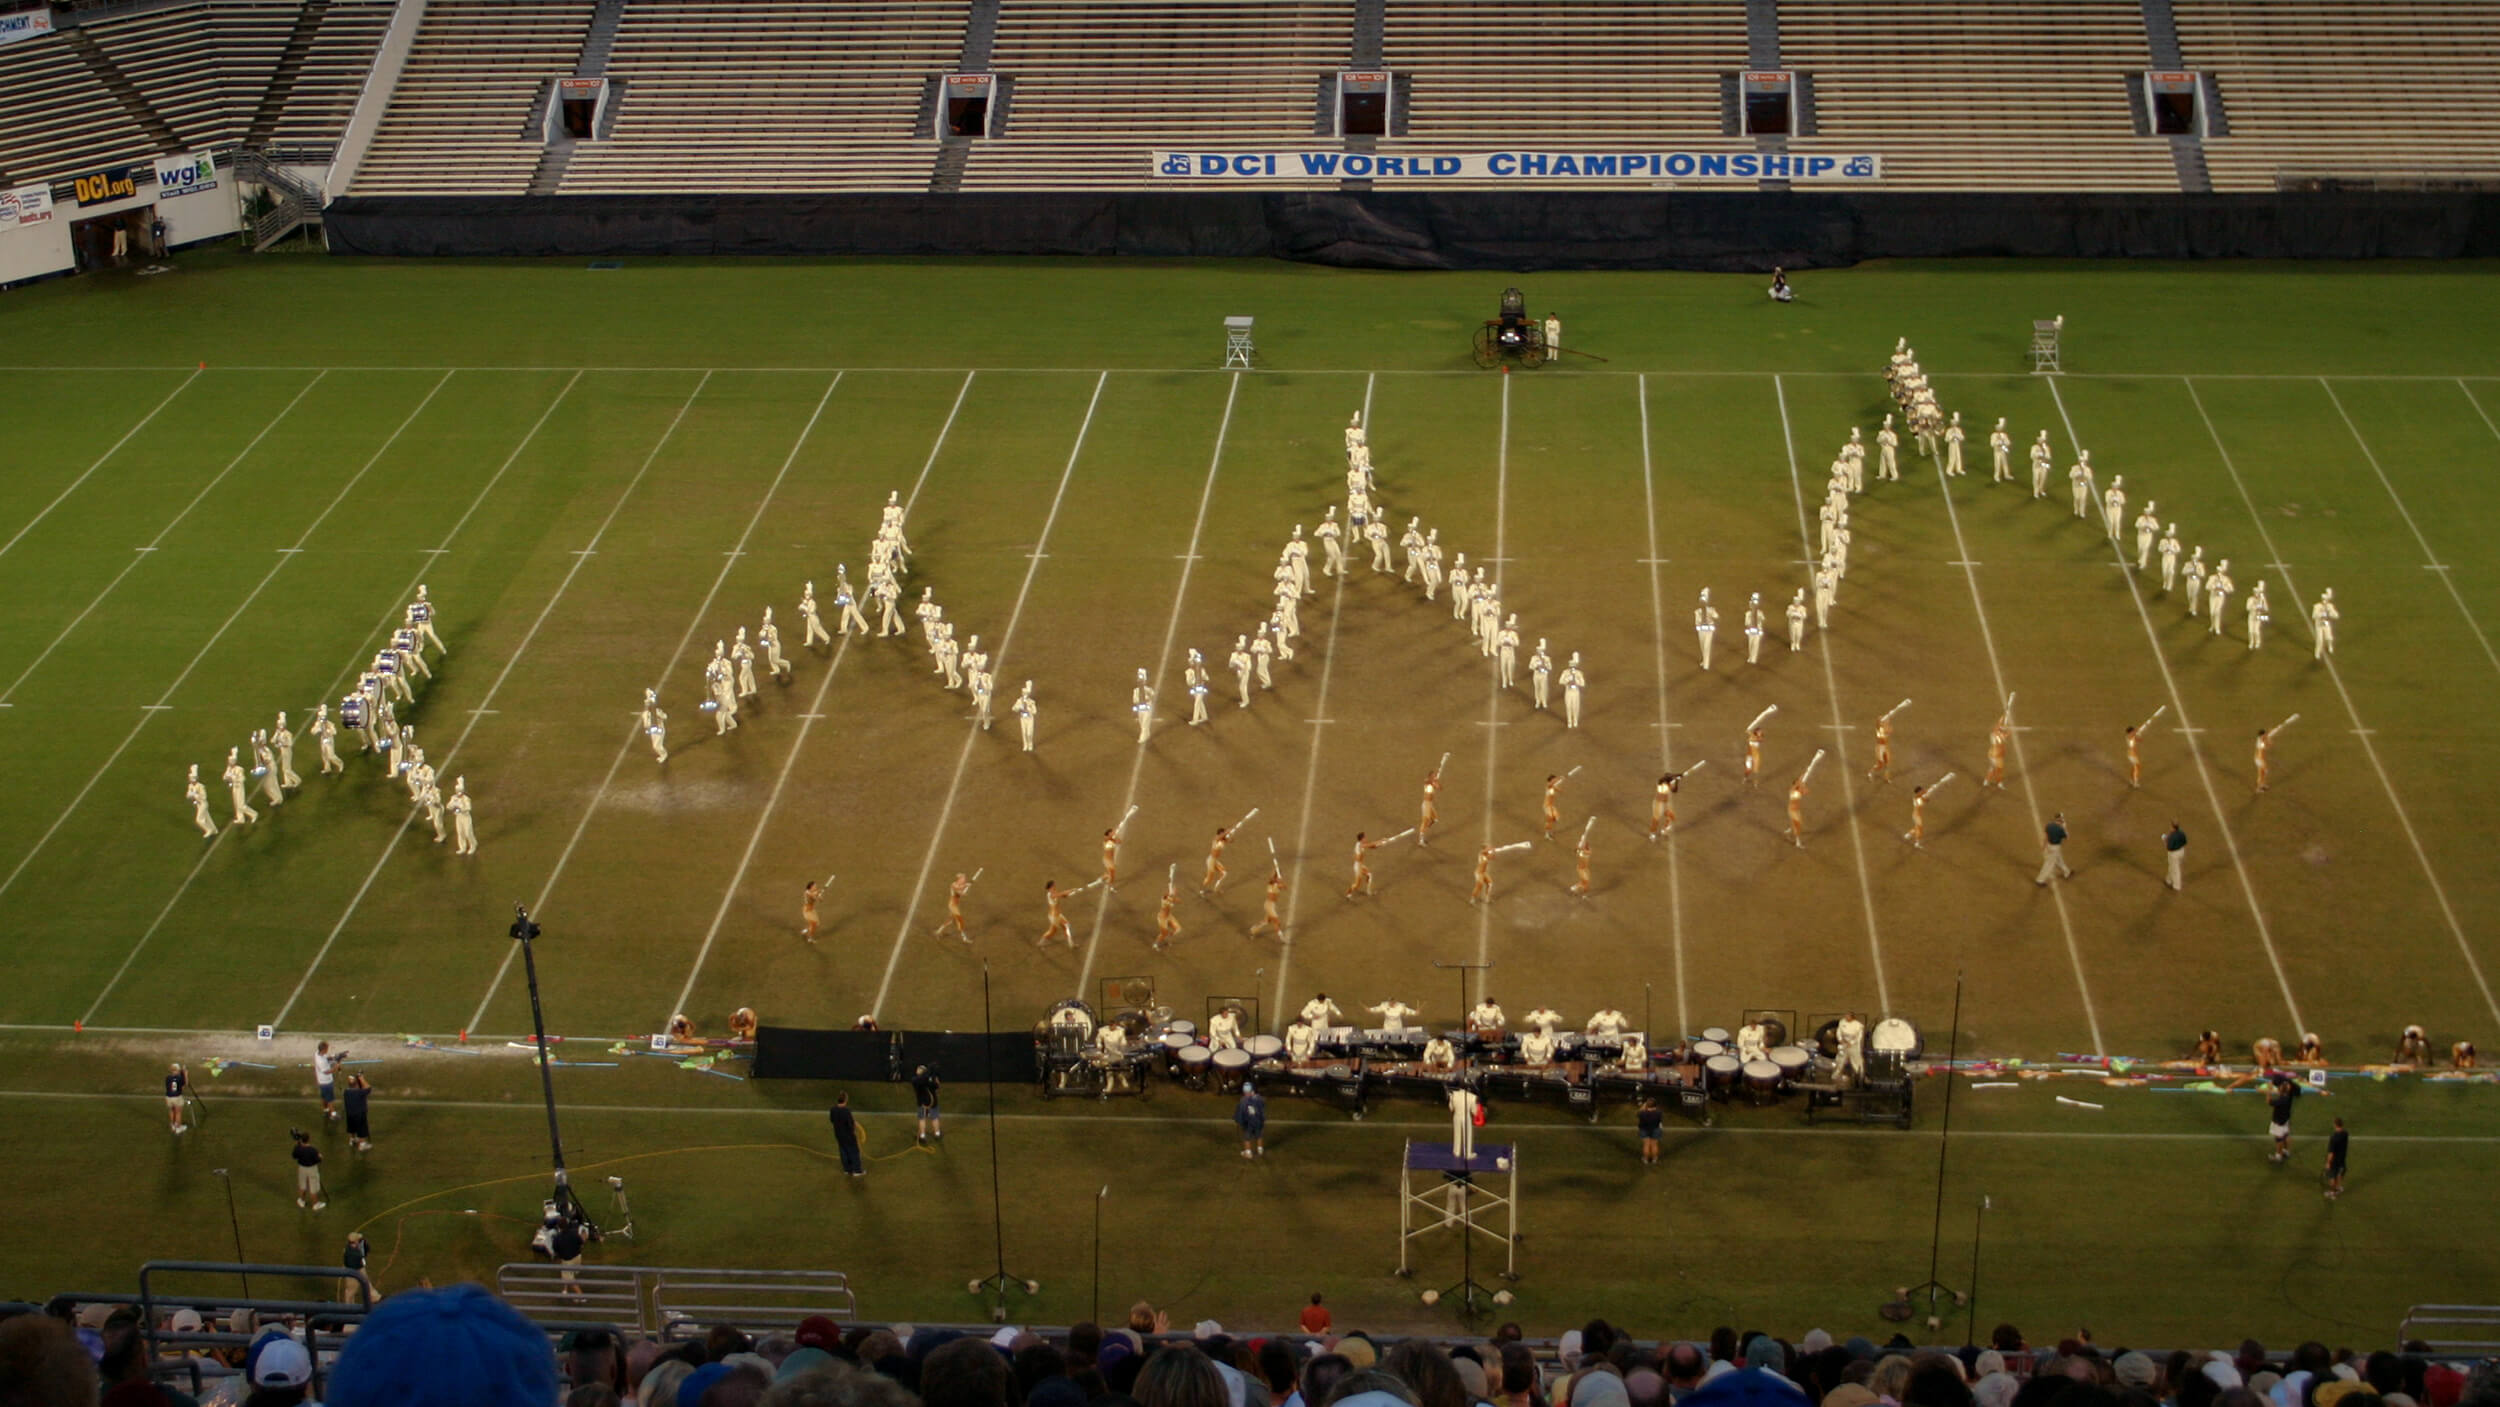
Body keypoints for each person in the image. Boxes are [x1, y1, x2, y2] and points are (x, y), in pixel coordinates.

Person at [2266, 1073, 2300, 1164]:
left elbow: (2269, 1102)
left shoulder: (2281, 1100)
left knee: (2279, 1139)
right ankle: (2286, 1151)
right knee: (2286, 1135)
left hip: (2279, 1121)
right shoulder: (2288, 1096)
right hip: (2286, 1119)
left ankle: (2278, 1155)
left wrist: (2268, 1091)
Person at [828, 1092, 864, 1177]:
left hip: (838, 1135)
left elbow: (832, 1120)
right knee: (854, 1152)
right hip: (848, 1136)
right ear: (845, 1100)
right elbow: (850, 1125)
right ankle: (857, 1170)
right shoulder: (847, 1111)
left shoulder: (833, 1109)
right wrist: (853, 1130)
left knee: (843, 1151)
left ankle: (847, 1169)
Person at [291, 1129, 326, 1210]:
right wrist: (320, 1156)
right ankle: (315, 1204)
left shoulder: (298, 1148)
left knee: (302, 1185)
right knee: (313, 1187)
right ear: (308, 1139)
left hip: (302, 1168)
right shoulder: (312, 1150)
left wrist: (296, 1146)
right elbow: (318, 1160)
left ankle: (301, 1201)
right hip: (312, 1169)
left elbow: (294, 1156)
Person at [2036, 812, 2072, 886]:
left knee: (2059, 859)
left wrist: (2044, 846)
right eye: (2062, 818)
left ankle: (2067, 872)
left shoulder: (2049, 825)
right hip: (2055, 848)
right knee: (2049, 864)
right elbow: (2067, 838)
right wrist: (2064, 828)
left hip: (2049, 846)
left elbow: (2046, 836)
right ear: (2060, 819)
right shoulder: (2060, 829)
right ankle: (2040, 880)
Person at [1235, 1080, 1267, 1159]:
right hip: (1258, 1122)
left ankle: (1248, 1152)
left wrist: (1238, 1120)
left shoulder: (1243, 1101)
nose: (1245, 1093)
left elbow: (1241, 1112)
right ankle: (1260, 1150)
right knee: (1259, 1135)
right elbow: (1262, 1107)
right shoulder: (1259, 1099)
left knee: (1247, 1138)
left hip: (1249, 1123)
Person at [314, 1041, 344, 1121]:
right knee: (330, 1099)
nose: (328, 1049)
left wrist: (336, 1056)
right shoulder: (321, 1062)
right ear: (323, 1049)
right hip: (326, 1082)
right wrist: (337, 1065)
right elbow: (327, 1072)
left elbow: (327, 1058)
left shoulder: (317, 1053)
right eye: (327, 1048)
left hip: (321, 1081)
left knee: (324, 1096)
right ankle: (333, 1114)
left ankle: (326, 1109)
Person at [1037, 881, 1073, 947]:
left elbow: (1061, 895)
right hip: (1054, 917)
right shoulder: (1050, 894)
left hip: (1058, 915)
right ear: (1050, 887)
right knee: (1052, 932)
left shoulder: (1054, 892)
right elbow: (1058, 895)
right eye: (1053, 885)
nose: (1055, 886)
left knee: (1066, 926)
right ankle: (1040, 943)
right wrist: (1068, 891)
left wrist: (1068, 894)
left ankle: (1071, 944)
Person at [341, 1231, 374, 1303]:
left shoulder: (350, 1248)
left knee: (366, 1283)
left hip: (357, 1269)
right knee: (351, 1290)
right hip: (354, 1271)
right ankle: (348, 1307)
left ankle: (375, 1297)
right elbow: (361, 1258)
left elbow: (365, 1252)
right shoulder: (352, 1252)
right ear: (355, 1241)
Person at [344, 1072, 373, 1152]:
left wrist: (355, 1080)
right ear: (357, 1085)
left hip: (350, 1114)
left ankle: (352, 1140)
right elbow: (368, 1088)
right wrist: (361, 1078)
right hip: (359, 1115)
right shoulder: (360, 1093)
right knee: (362, 1129)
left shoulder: (346, 1092)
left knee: (352, 1128)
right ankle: (362, 1145)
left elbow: (353, 1084)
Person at [912, 1064, 942, 1143]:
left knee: (922, 1119)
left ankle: (922, 1136)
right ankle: (937, 1133)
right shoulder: (928, 1079)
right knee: (934, 1117)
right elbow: (937, 1086)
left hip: (922, 1103)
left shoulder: (915, 1080)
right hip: (933, 1101)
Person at [2324, 1116, 2348, 1199]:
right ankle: (2338, 1188)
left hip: (2334, 1161)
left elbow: (2331, 1153)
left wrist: (2328, 1163)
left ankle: (2333, 1193)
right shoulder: (2345, 1133)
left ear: (2335, 1125)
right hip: (2342, 1158)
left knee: (2332, 1177)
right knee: (2339, 1173)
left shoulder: (2333, 1138)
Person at [164, 1062, 188, 1135]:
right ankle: (178, 1127)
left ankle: (173, 1125)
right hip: (177, 1097)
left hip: (168, 1097)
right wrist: (185, 1074)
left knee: (171, 1111)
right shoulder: (179, 1078)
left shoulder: (167, 1078)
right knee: (178, 1113)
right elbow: (185, 1085)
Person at [1637, 1097, 1664, 1165]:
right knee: (1654, 1145)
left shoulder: (1642, 1113)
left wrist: (1644, 1106)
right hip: (1655, 1129)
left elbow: (1639, 1113)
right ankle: (1654, 1159)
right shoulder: (1659, 1113)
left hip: (1644, 1129)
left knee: (1646, 1145)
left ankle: (1645, 1159)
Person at [2164, 820, 2188, 891]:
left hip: (2174, 854)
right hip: (2181, 851)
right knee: (2173, 866)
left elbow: (2169, 848)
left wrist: (2165, 841)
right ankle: (2168, 880)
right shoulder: (2182, 833)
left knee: (2175, 869)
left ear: (2173, 827)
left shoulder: (2172, 836)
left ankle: (2177, 886)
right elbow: (2185, 842)